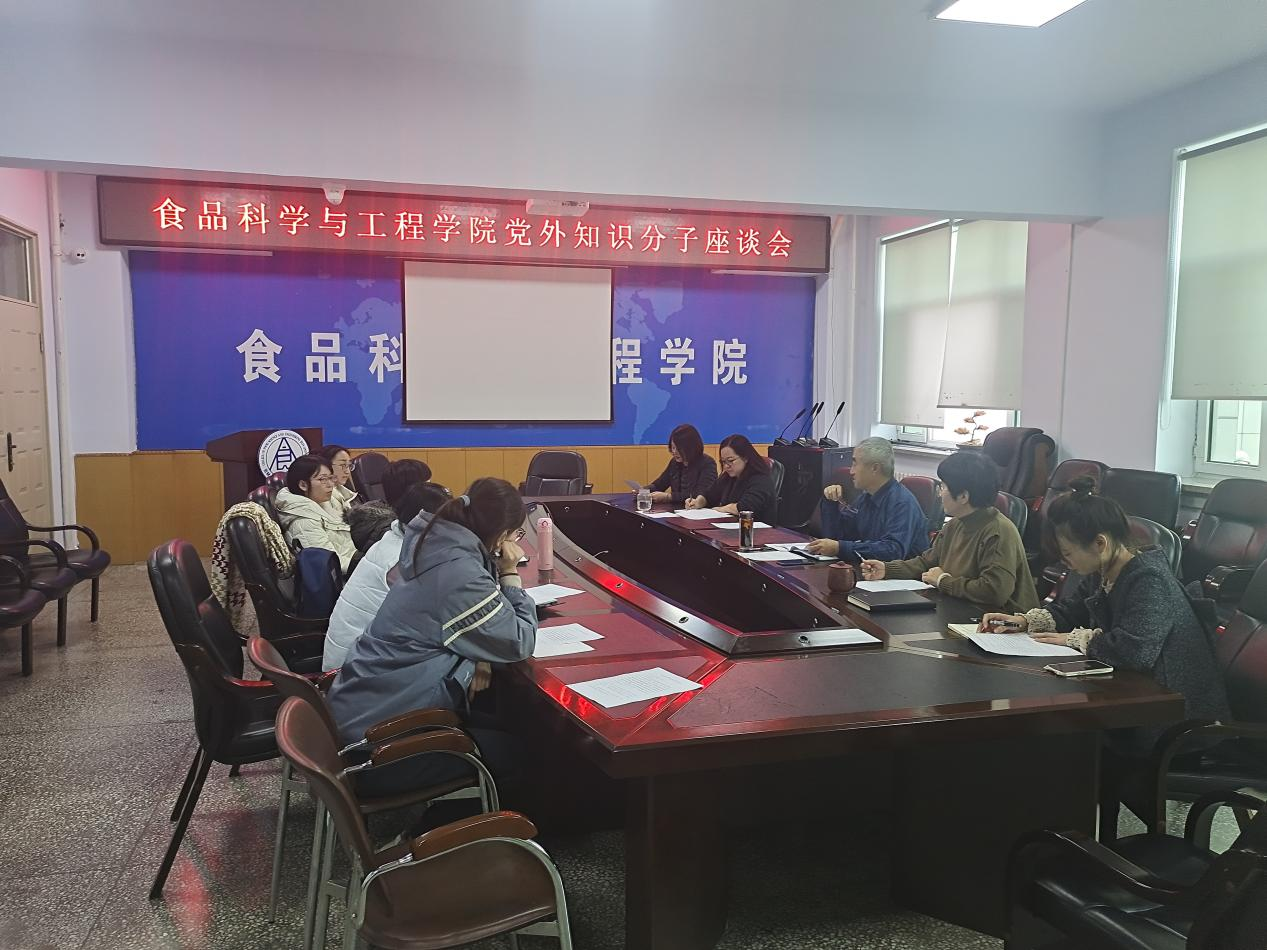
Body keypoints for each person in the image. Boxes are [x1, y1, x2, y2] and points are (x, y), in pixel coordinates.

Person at [980, 476, 1230, 830]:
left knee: (1062, 746)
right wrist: (1024, 621)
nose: (1066, 563)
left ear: (1100, 542)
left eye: (1068, 553)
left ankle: (1059, 835)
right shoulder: (1107, 568)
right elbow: (1072, 610)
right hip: (1139, 697)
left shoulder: (1148, 579)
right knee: (1051, 741)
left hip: (1177, 721)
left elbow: (1134, 651)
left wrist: (1075, 639)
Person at [326, 477, 536, 797]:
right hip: (378, 752)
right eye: (516, 534)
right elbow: (518, 641)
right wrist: (509, 572)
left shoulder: (434, 547)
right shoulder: (458, 570)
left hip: (361, 718)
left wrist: (481, 655)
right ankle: (453, 825)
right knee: (526, 752)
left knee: (508, 724)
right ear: (501, 534)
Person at [861, 451, 1037, 613]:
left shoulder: (999, 532)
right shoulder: (955, 524)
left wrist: (943, 581)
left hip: (1004, 622)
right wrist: (887, 569)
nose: (939, 494)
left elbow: (994, 592)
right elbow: (926, 563)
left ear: (963, 496)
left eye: (943, 487)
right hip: (962, 610)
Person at [323, 482, 451, 671]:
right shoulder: (401, 561)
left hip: (359, 655)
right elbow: (439, 615)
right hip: (353, 671)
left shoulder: (394, 538)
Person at [805, 437, 928, 561]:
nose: (851, 471)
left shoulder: (902, 503)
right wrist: (830, 502)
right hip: (871, 569)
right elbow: (838, 536)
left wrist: (840, 548)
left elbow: (892, 551)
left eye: (855, 464)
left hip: (901, 572)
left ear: (875, 468)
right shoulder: (866, 498)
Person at [273, 455, 358, 572]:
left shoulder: (325, 501)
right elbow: (330, 564)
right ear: (303, 485)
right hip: (348, 576)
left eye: (331, 478)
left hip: (357, 559)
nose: (330, 484)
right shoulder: (303, 522)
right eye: (323, 479)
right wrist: (368, 566)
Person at [686, 434, 778, 524]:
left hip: (758, 530)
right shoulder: (728, 477)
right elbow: (709, 496)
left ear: (745, 458)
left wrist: (721, 509)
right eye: (723, 462)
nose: (726, 466)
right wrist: (698, 502)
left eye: (730, 461)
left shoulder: (761, 479)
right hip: (732, 527)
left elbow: (745, 508)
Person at [645, 424, 718, 506]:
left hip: (697, 510)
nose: (674, 452)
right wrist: (643, 491)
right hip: (676, 510)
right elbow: (659, 484)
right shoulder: (674, 462)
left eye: (678, 448)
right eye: (673, 447)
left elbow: (701, 495)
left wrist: (669, 497)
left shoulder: (707, 463)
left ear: (691, 447)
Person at [315, 444, 357, 518]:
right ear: (326, 465)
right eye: (343, 465)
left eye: (349, 465)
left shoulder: (346, 493)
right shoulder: (322, 497)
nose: (347, 472)